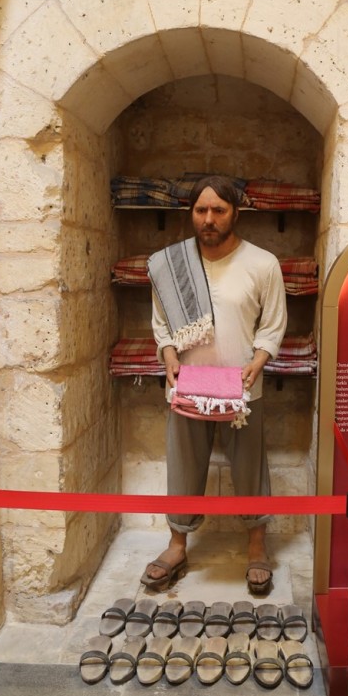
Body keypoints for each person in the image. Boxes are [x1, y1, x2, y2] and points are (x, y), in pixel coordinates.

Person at [143, 175, 287, 595]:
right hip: (187, 383)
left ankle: (256, 546)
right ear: (192, 213)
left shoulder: (262, 264)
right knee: (184, 465)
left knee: (249, 467)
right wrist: (168, 354)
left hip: (242, 386)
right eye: (201, 210)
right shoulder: (169, 265)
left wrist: (258, 361)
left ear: (235, 213)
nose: (209, 219)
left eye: (218, 210)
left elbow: (273, 324)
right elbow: (161, 322)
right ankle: (177, 545)